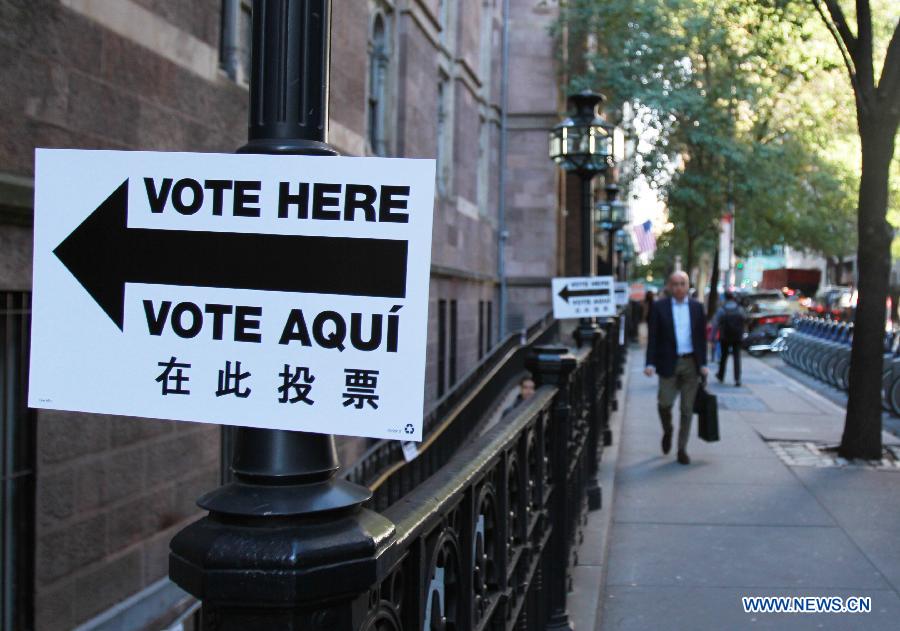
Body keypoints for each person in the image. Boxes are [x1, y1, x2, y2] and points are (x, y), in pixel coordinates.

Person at [644, 271, 709, 464]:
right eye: (675, 284)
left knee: (687, 409)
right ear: (669, 286)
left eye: (682, 283)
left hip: (691, 363)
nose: (679, 287)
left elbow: (701, 339)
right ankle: (668, 430)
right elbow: (653, 337)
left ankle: (682, 449)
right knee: (664, 404)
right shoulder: (659, 307)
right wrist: (650, 363)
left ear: (688, 286)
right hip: (667, 362)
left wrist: (703, 364)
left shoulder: (697, 307)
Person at [713, 290, 747, 386]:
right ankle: (737, 379)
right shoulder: (739, 309)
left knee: (724, 357)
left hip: (725, 336)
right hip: (737, 337)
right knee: (737, 357)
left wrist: (712, 336)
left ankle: (721, 375)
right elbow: (745, 319)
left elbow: (716, 323)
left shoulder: (722, 309)